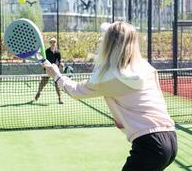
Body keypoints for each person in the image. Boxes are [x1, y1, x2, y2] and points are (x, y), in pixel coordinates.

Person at [42, 22, 177, 171]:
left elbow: (75, 91)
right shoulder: (146, 68)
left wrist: (56, 75)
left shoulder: (109, 78)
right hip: (171, 138)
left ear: (110, 44)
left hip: (149, 145)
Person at [35, 37, 64, 104]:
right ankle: (38, 92)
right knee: (43, 83)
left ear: (56, 43)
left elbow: (59, 60)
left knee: (58, 84)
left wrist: (61, 63)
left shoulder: (58, 52)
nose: (53, 43)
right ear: (49, 43)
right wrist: (45, 66)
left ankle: (60, 98)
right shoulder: (47, 51)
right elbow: (43, 59)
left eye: (54, 42)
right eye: (51, 42)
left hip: (55, 71)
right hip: (47, 70)